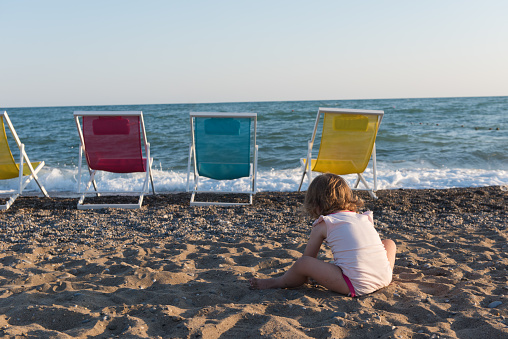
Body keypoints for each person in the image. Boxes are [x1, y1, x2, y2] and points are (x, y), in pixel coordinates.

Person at [249, 173, 396, 297]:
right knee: (389, 243)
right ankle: (381, 271)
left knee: (303, 263)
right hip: (385, 277)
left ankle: (278, 282)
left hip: (356, 285)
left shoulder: (325, 223)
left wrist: (311, 274)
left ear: (316, 204)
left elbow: (308, 258)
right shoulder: (362, 217)